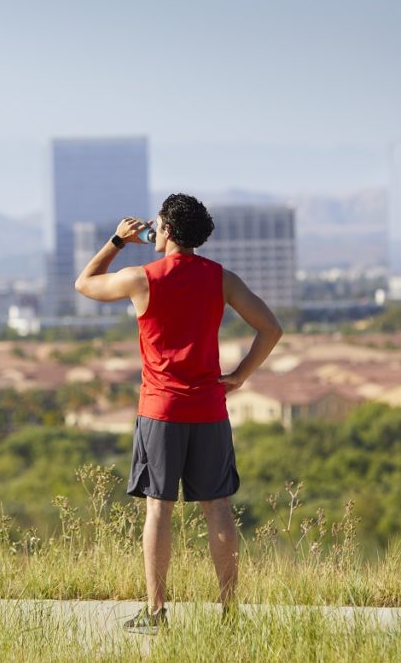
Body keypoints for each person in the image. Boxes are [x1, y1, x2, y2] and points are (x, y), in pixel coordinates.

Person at [73, 193, 283, 634]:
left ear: (165, 230)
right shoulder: (221, 279)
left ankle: (156, 613)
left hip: (160, 411)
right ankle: (230, 616)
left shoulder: (140, 278)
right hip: (209, 408)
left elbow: (85, 283)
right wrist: (241, 375)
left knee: (159, 510)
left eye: (157, 224)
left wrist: (117, 240)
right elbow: (270, 327)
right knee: (218, 507)